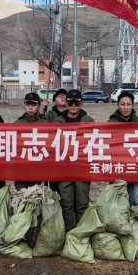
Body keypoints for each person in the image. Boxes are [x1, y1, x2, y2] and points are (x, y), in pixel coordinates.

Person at [54, 89, 94, 229]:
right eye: (70, 102)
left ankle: (81, 232)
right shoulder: (58, 121)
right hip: (64, 168)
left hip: (82, 168)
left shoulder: (89, 121)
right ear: (66, 103)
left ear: (81, 104)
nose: (73, 105)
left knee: (82, 202)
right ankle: (69, 231)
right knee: (66, 202)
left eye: (76, 103)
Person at [108, 90, 138, 206]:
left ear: (133, 105)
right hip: (117, 166)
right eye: (122, 104)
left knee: (136, 200)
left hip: (135, 166)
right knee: (116, 201)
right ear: (118, 105)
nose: (125, 107)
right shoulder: (111, 123)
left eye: (128, 104)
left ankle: (135, 217)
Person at [14, 92, 46, 190]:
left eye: (34, 105)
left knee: (38, 194)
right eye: (28, 104)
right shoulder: (17, 123)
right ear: (24, 106)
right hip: (22, 166)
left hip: (40, 165)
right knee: (22, 194)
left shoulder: (45, 123)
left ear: (38, 106)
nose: (30, 108)